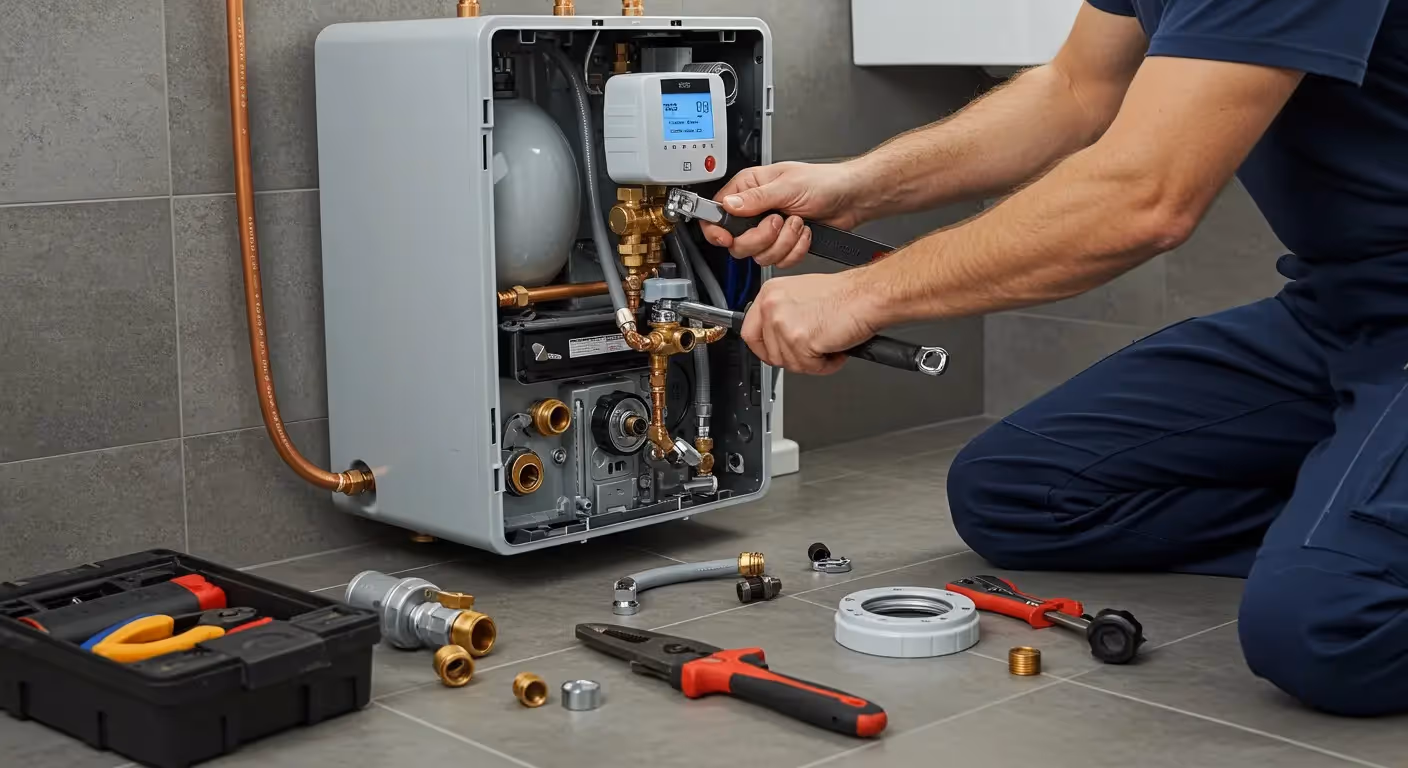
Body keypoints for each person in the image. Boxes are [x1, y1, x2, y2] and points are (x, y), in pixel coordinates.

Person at [701, 1, 1408, 716]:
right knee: (1016, 493)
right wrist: (857, 184)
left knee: (1328, 629)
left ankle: (1349, 544)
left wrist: (864, 296)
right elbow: (1074, 87)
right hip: (1342, 307)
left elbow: (1144, 196)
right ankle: (1349, 512)